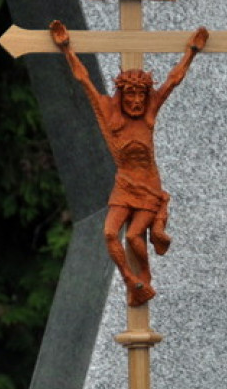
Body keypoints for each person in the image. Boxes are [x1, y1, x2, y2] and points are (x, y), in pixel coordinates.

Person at [49, 19, 208, 306]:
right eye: (130, 94)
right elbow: (83, 79)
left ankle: (144, 276)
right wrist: (65, 49)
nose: (136, 100)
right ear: (121, 95)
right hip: (124, 184)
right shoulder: (110, 114)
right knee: (110, 233)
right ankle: (130, 280)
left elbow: (172, 81)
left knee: (135, 237)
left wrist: (192, 52)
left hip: (147, 186)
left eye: (141, 95)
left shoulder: (148, 114)